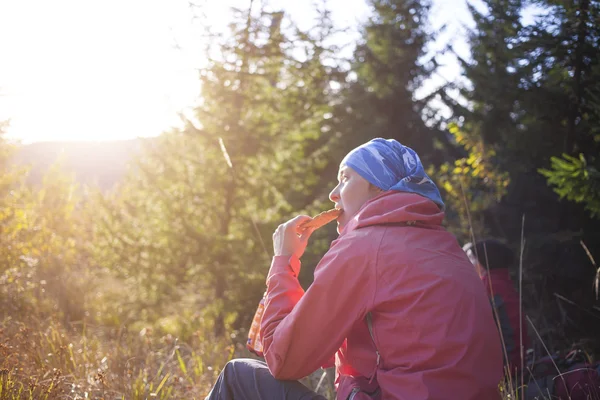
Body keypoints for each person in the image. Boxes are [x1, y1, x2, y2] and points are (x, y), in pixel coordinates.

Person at [206, 138, 504, 400]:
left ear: (377, 186)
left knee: (237, 375)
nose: (334, 194)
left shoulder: (364, 246)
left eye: (345, 178)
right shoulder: (446, 247)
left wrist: (283, 262)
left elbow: (284, 360)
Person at [462, 239, 530, 377]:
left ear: (483, 261)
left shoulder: (487, 286)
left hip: (504, 369)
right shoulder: (502, 281)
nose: (467, 263)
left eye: (470, 258)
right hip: (518, 362)